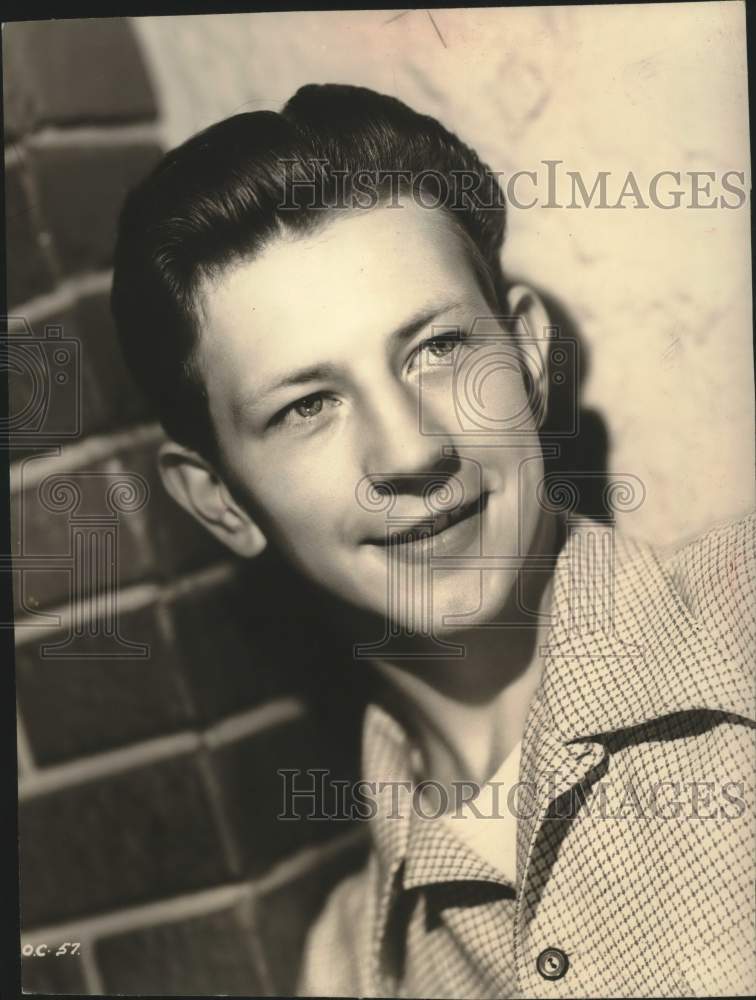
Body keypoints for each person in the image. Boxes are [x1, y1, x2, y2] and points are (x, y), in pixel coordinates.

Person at [111, 83, 755, 999]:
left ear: (527, 357)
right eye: (307, 406)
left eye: (439, 349)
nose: (412, 449)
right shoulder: (348, 972)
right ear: (220, 502)